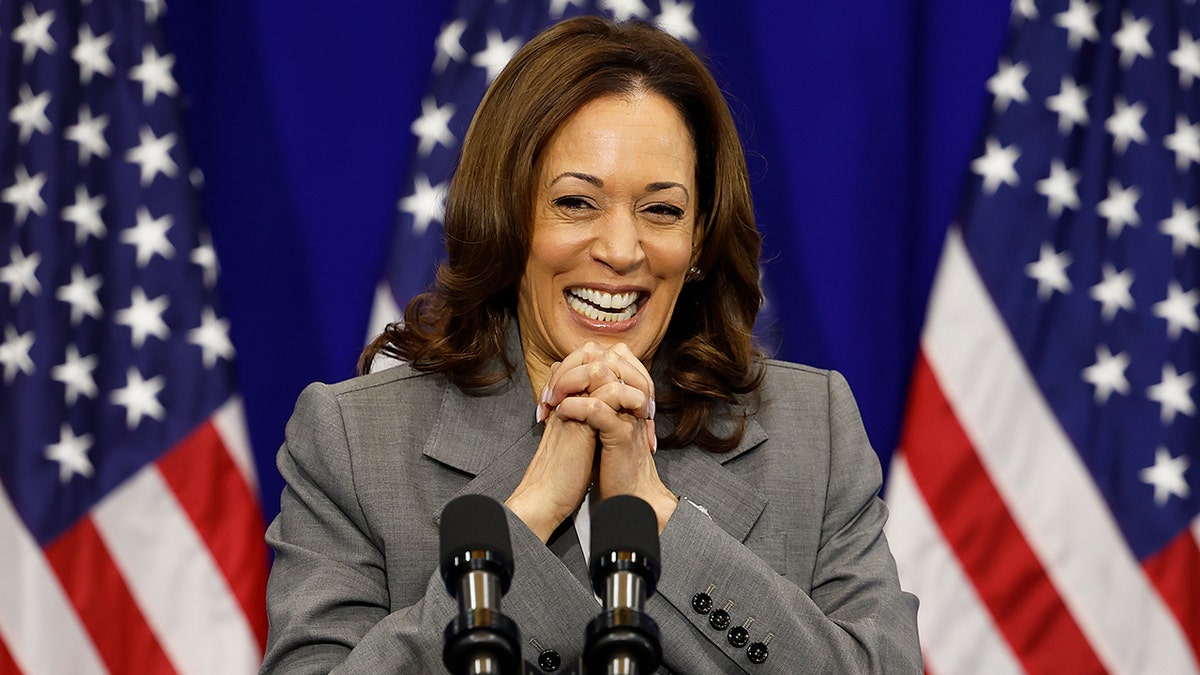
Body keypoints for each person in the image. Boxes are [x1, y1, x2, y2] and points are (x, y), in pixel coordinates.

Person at [261, 15, 921, 675]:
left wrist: (659, 516)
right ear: (509, 216)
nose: (620, 250)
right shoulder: (352, 441)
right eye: (576, 203)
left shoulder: (814, 429)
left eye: (661, 210)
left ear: (698, 244)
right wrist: (525, 518)